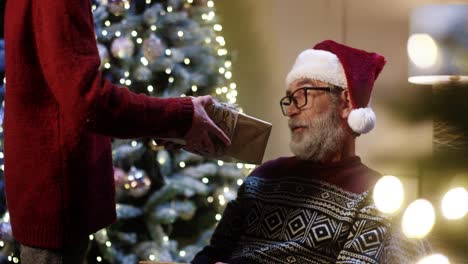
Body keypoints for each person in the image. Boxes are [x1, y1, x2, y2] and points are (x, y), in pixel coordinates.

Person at [3, 0, 230, 263]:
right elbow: (87, 99)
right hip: (56, 202)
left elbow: (61, 96)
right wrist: (181, 115)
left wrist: (159, 124)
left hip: (50, 196)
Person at [192, 40, 431, 264]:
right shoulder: (263, 177)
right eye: (289, 99)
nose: (292, 110)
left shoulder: (378, 197)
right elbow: (212, 254)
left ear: (346, 103)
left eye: (302, 95)